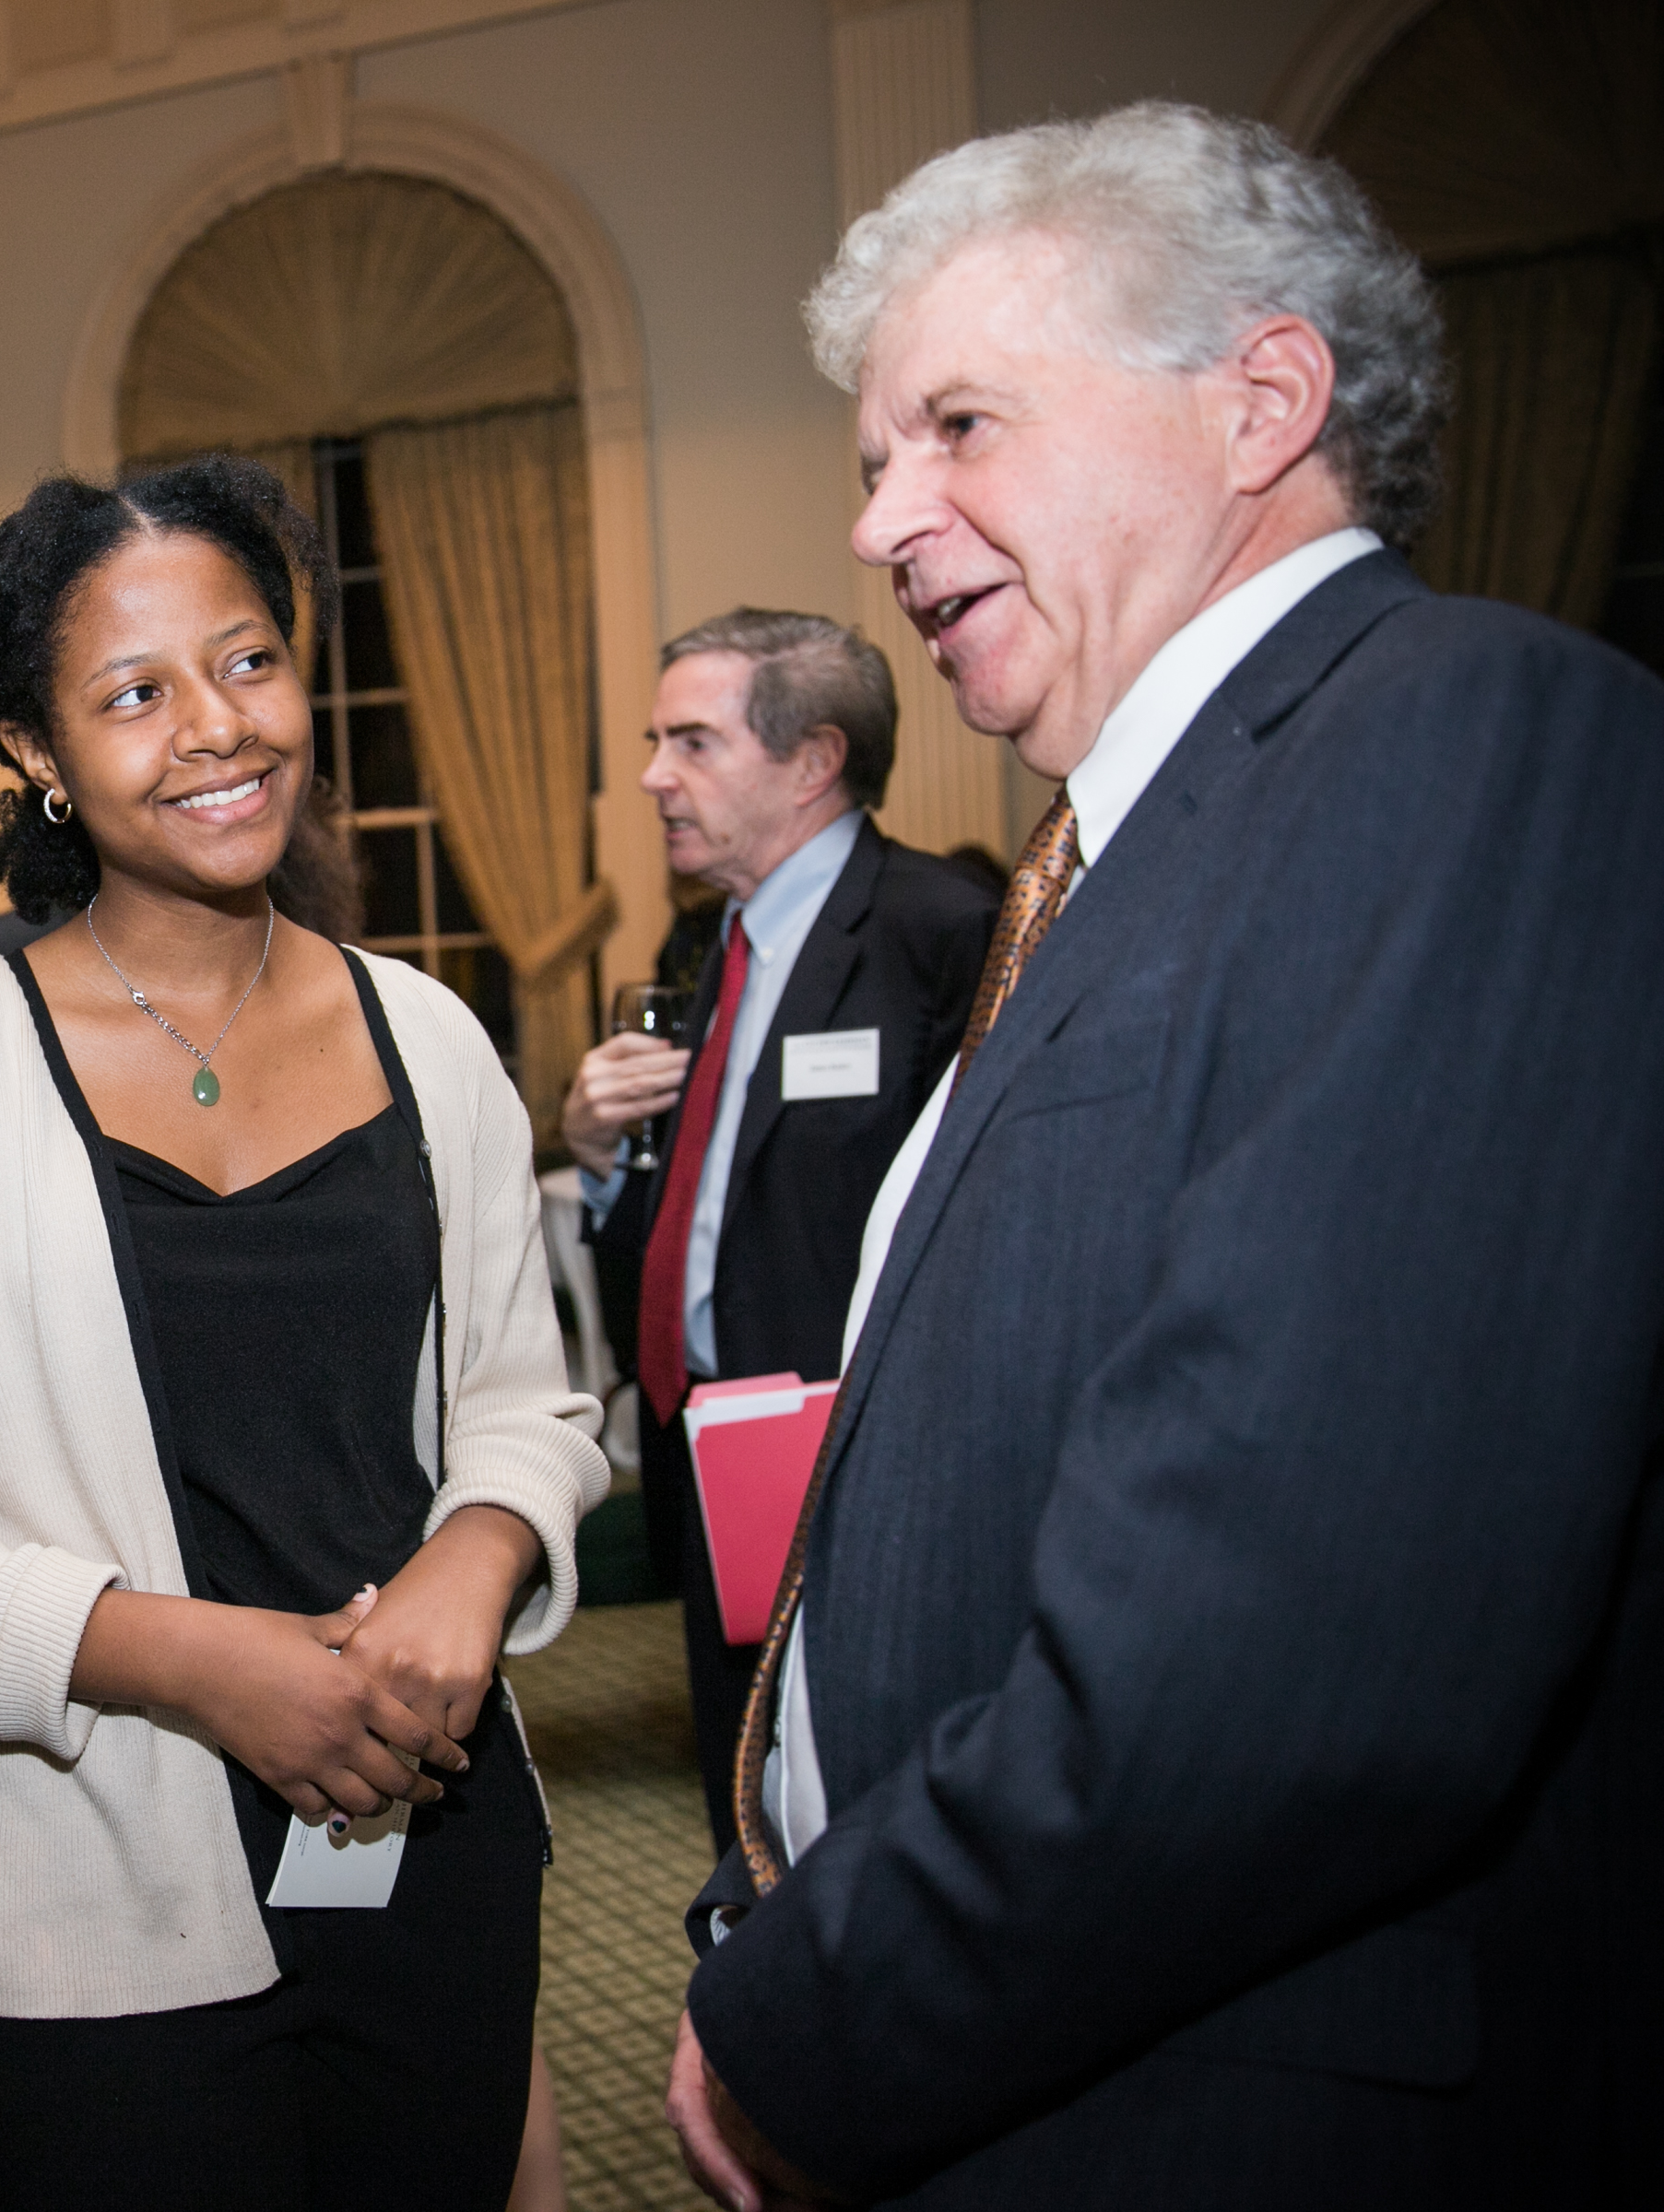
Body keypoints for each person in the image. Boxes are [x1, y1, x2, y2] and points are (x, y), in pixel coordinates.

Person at [667, 103, 1664, 2208]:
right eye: (870, 458)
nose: (879, 523)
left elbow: (1288, 1661)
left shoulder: (1466, 739)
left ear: (1258, 402)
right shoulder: (1112, 853)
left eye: (955, 423)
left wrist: (813, 2004)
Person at [0, 457, 609, 2211]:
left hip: (425, 1853)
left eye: (248, 663)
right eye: (134, 694)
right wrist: (202, 1665)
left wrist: (484, 1547)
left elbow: (527, 1401)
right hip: (88, 1923)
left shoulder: (427, 1035)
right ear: (38, 753)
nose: (216, 730)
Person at [559, 611, 986, 1851]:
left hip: (866, 1469)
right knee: (749, 1800)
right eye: (655, 740)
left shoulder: (941, 933)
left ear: (811, 764)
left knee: (869, 1809)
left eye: (691, 741)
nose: (652, 775)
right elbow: (718, 1199)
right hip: (714, 1449)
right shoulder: (713, 943)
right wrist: (597, 1156)